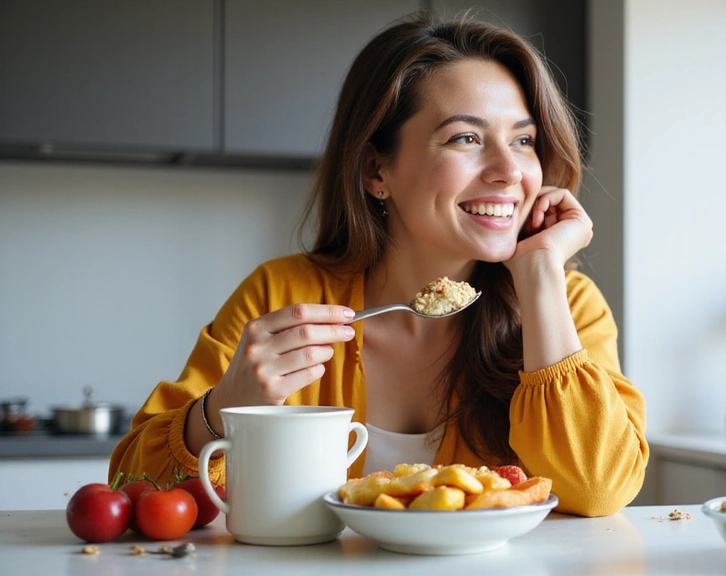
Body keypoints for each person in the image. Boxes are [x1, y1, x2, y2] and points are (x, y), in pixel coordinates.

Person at [109, 12, 648, 517]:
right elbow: (130, 484)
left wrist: (538, 275)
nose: (510, 171)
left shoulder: (567, 304)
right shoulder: (283, 294)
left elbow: (599, 489)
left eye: (524, 140)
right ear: (375, 171)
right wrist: (225, 405)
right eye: (466, 138)